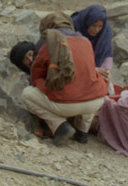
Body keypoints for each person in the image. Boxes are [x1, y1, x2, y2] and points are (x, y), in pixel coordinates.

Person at [21, 12, 108, 146]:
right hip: (95, 102)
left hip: (66, 105)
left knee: (27, 94)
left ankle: (60, 126)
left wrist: (44, 85)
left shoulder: (48, 43)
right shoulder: (86, 41)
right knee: (89, 87)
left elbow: (36, 74)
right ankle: (82, 132)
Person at [71, 4, 114, 71]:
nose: (97, 30)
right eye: (93, 25)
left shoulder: (105, 31)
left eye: (100, 26)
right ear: (87, 22)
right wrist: (93, 70)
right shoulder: (73, 26)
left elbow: (106, 53)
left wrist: (106, 71)